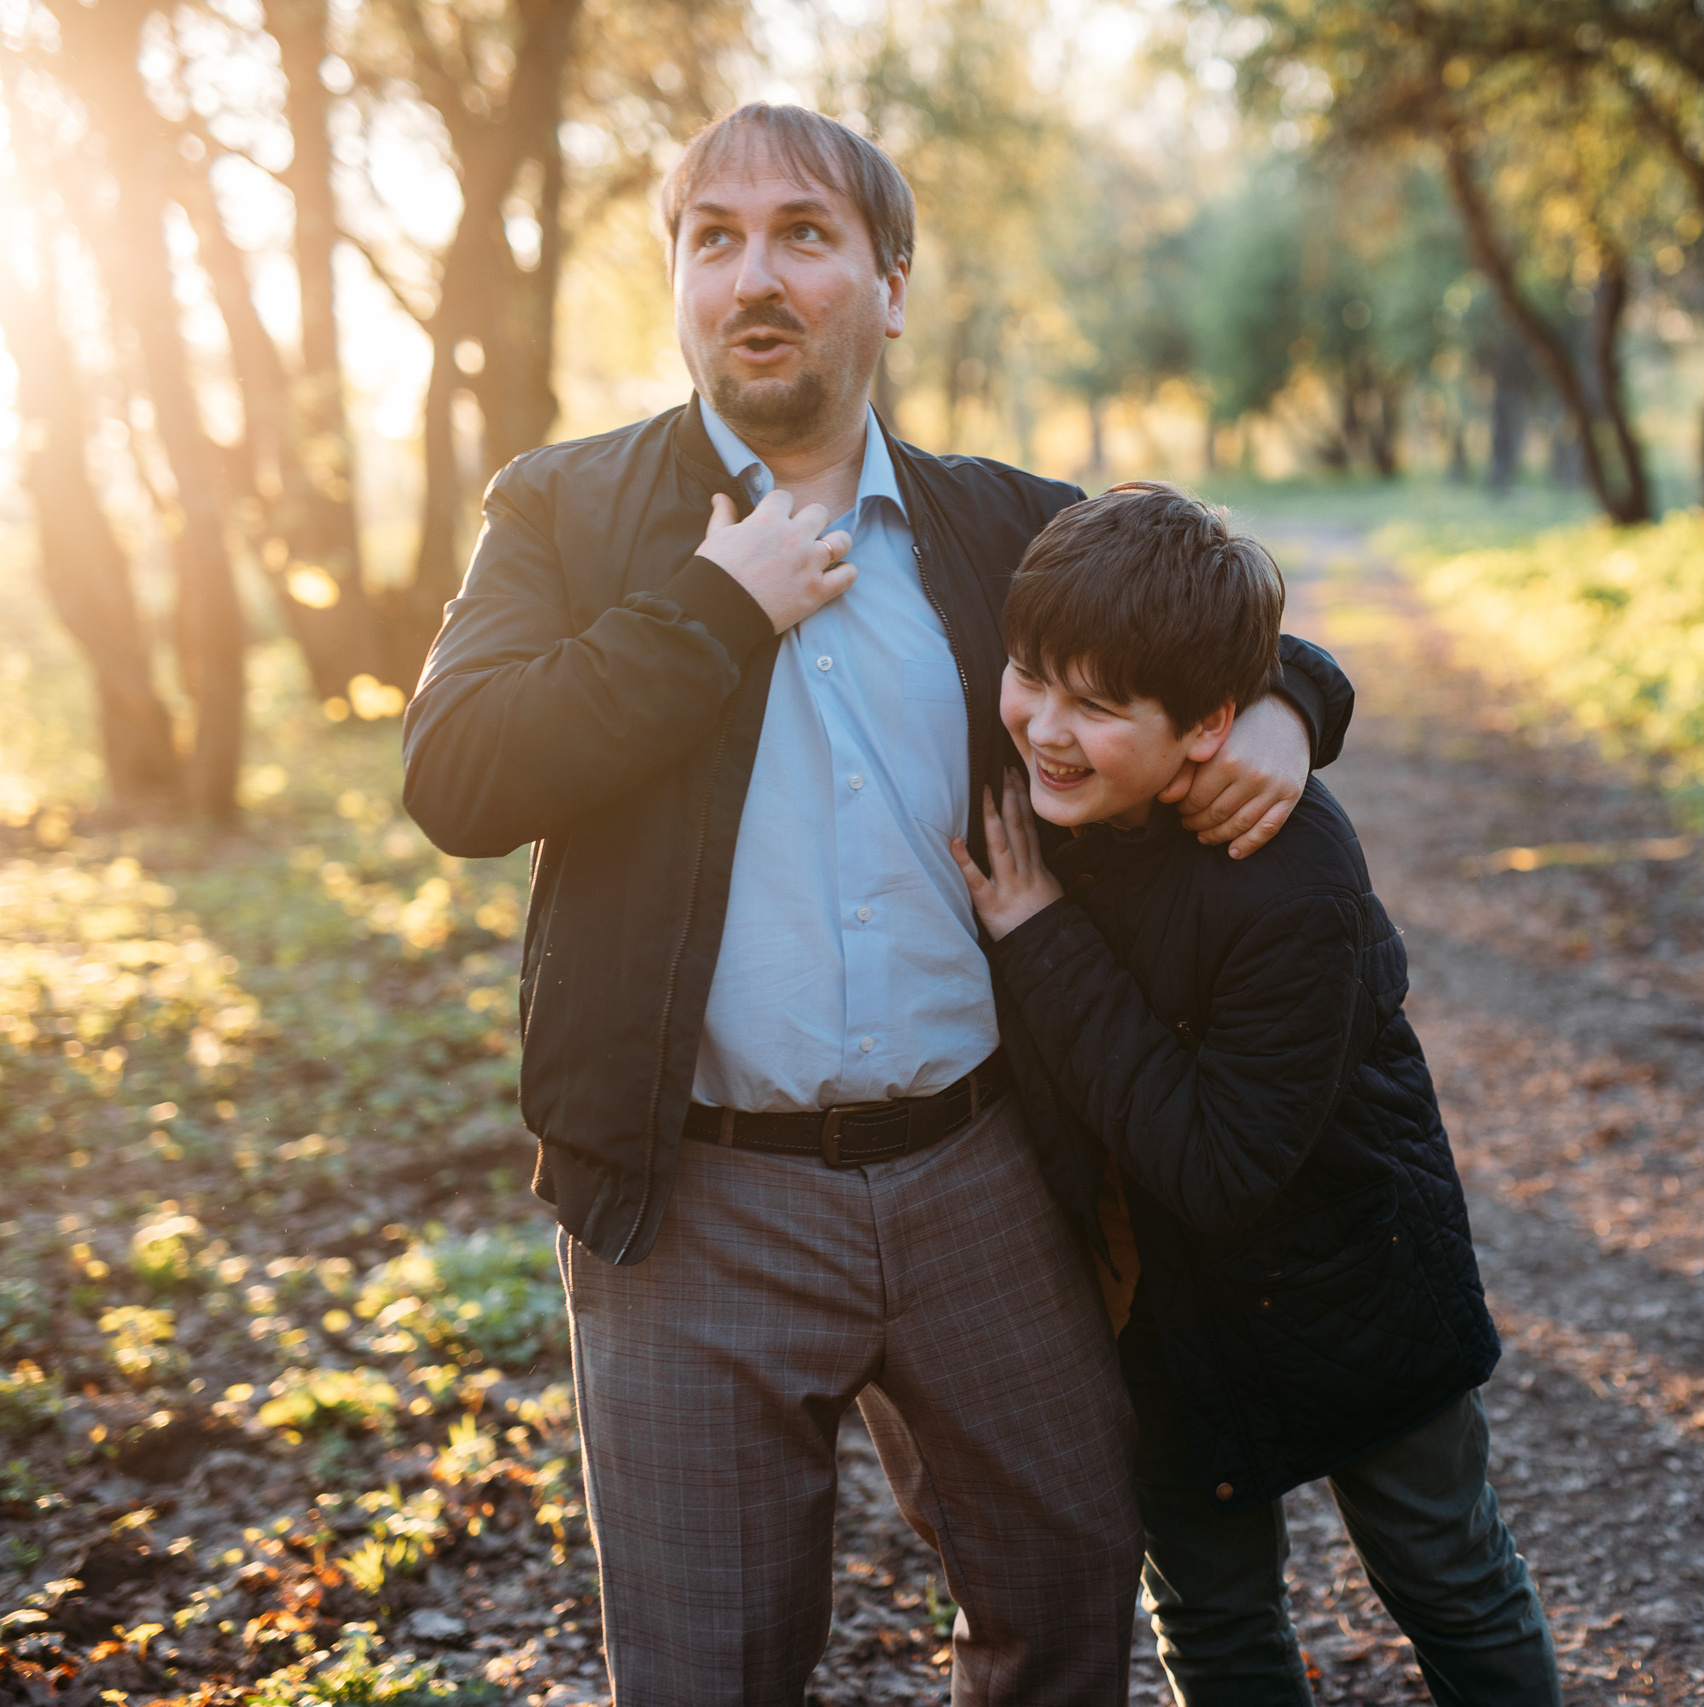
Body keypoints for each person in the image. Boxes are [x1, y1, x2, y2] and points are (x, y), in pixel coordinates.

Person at [398, 105, 1354, 1706]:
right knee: (708, 1671)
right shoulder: (566, 512)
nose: (754, 274)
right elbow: (459, 774)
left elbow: (1217, 616)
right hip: (689, 1195)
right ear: (680, 285)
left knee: (1064, 1613)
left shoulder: (999, 522)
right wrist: (717, 605)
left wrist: (1283, 707)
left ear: (891, 285)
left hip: (983, 1170)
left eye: (806, 235)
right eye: (716, 238)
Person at [952, 483, 1561, 1706]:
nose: (1044, 729)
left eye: (1098, 707)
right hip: (1156, 1314)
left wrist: (1040, 936)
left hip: (1351, 1278)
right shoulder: (1042, 780)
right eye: (1031, 678)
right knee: (1212, 1616)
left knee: (1445, 1570)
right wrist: (1302, 692)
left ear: (1206, 728)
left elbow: (1220, 1170)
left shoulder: (1283, 869)